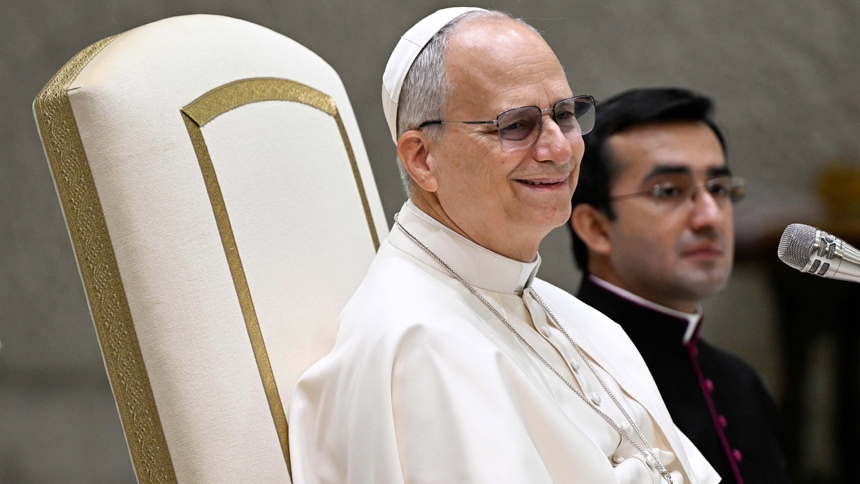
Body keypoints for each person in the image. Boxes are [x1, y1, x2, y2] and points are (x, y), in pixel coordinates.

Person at [288, 9, 719, 484]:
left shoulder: (574, 317)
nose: (559, 149)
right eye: (516, 125)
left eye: (564, 115)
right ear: (422, 158)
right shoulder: (419, 345)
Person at [569, 87, 790, 484]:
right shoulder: (566, 380)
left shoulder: (740, 383)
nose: (710, 216)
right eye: (669, 191)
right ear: (596, 227)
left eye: (719, 189)